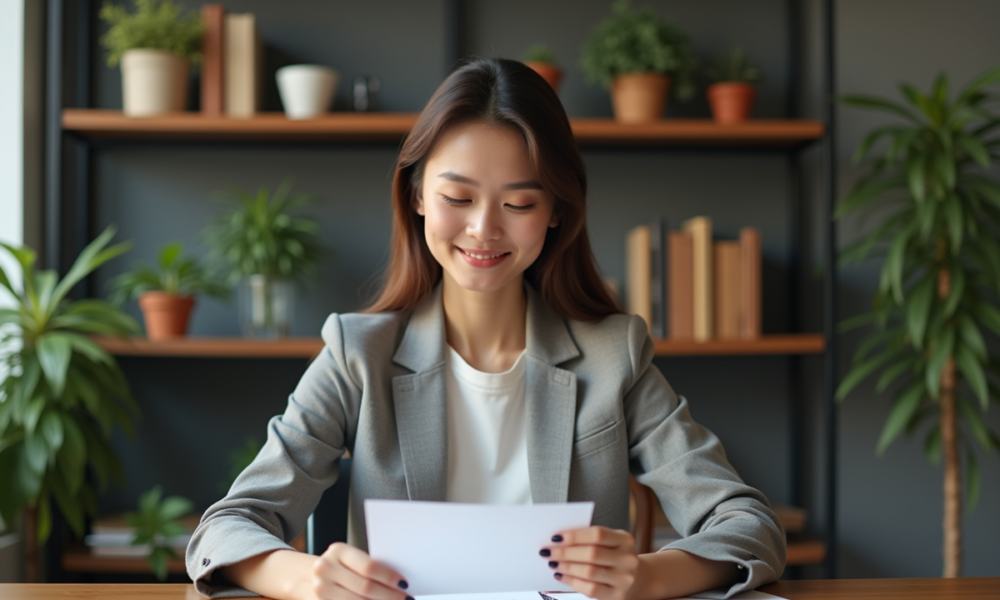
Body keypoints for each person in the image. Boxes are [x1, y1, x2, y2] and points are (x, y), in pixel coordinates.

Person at [186, 58, 785, 600]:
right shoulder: (358, 353)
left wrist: (651, 573)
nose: (484, 230)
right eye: (457, 196)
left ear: (555, 213)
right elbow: (226, 526)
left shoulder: (613, 355)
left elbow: (747, 524)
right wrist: (303, 576)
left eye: (520, 205)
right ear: (417, 195)